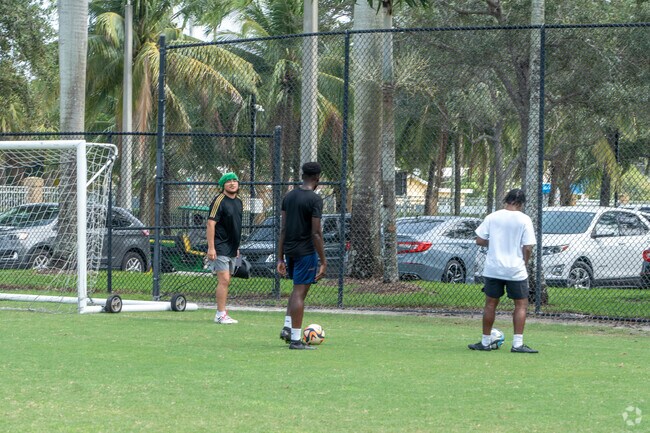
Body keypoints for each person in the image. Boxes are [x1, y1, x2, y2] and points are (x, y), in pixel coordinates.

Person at [469, 188, 538, 353]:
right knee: (521, 305)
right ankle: (517, 344)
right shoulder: (524, 219)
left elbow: (479, 240)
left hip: (494, 268)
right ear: (521, 203)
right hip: (515, 268)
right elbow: (527, 246)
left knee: (490, 304)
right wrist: (524, 262)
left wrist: (496, 243)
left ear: (506, 200)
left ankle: (485, 343)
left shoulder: (492, 217)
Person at [277, 162, 327, 350]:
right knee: (300, 292)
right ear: (317, 178)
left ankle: (288, 328)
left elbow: (282, 229)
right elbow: (316, 233)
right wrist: (323, 260)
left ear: (303, 175)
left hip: (289, 251)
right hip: (306, 252)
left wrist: (280, 258)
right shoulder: (315, 200)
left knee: (297, 290)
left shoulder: (288, 197)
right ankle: (296, 340)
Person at [206, 172, 243, 324]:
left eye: (235, 180)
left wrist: (237, 246)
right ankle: (220, 314)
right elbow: (210, 223)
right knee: (224, 279)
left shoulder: (239, 201)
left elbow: (236, 225)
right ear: (223, 185)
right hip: (220, 246)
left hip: (233, 248)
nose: (232, 183)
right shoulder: (219, 201)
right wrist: (211, 248)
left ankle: (223, 312)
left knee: (227, 281)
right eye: (229, 181)